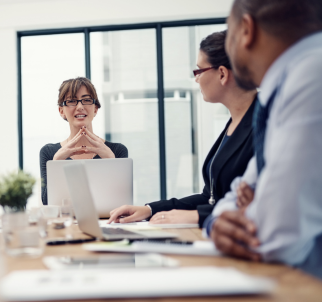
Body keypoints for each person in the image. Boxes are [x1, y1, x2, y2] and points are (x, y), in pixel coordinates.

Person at [205, 0, 322, 288]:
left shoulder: (318, 77)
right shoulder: (287, 87)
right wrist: (217, 222)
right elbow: (241, 188)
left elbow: (273, 238)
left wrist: (251, 213)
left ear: (247, 30)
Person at [108, 31, 257, 227]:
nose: (196, 79)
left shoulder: (265, 125)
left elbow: (259, 203)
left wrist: (197, 216)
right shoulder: (233, 123)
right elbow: (210, 197)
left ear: (222, 73)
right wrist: (150, 209)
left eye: (199, 71)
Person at [39, 77, 128, 205]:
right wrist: (57, 162)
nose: (80, 107)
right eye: (72, 101)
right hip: (66, 224)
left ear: (95, 108)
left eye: (86, 100)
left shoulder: (117, 151)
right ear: (61, 110)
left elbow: (122, 203)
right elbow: (48, 203)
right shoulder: (49, 152)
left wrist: (110, 159)